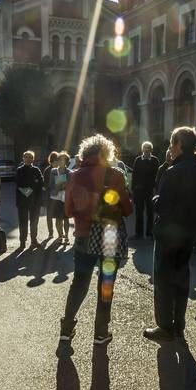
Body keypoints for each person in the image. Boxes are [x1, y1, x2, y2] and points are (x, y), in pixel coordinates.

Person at [60, 134, 132, 346]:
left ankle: (66, 329)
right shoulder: (116, 175)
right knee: (106, 284)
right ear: (106, 153)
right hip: (109, 235)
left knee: (79, 283)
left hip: (83, 234)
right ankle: (100, 333)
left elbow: (67, 210)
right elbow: (127, 210)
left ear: (85, 153)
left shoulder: (75, 175)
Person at [143, 126, 196, 342]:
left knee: (164, 281)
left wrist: (155, 201)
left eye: (172, 144)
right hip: (189, 234)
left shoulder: (173, 172)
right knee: (182, 279)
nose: (170, 148)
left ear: (180, 145)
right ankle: (179, 323)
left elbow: (162, 205)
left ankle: (165, 326)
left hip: (168, 233)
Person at [15, 149, 43, 250]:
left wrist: (30, 185)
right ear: (23, 158)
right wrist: (33, 183)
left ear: (33, 159)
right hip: (22, 201)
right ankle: (22, 242)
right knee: (23, 223)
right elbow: (19, 183)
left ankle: (34, 240)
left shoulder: (36, 170)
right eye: (26, 157)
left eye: (30, 157)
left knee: (34, 222)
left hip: (35, 201)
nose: (28, 159)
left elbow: (41, 182)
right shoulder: (19, 170)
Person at [132, 141, 160, 238]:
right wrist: (133, 191)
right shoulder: (138, 160)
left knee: (150, 212)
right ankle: (138, 233)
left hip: (150, 191)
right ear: (142, 149)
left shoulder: (155, 160)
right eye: (145, 148)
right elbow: (134, 176)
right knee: (139, 212)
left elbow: (157, 177)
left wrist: (155, 189)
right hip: (139, 190)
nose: (147, 150)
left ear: (151, 150)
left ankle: (150, 232)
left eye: (149, 148)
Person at [48, 151, 71, 243]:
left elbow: (69, 185)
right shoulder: (53, 171)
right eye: (60, 159)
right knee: (58, 218)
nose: (61, 161)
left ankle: (66, 236)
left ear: (67, 162)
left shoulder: (70, 172)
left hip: (66, 198)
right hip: (55, 198)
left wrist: (60, 184)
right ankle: (60, 236)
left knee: (66, 218)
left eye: (64, 160)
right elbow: (52, 185)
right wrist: (62, 184)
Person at [41, 151, 58, 239]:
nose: (55, 162)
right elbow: (46, 184)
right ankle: (51, 232)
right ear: (51, 161)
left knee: (57, 215)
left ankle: (56, 232)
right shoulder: (48, 170)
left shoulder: (59, 169)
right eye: (53, 160)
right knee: (51, 215)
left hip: (56, 196)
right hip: (51, 196)